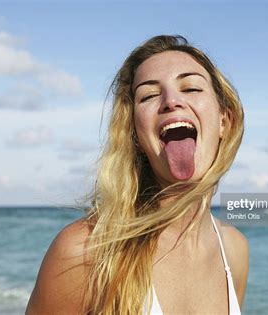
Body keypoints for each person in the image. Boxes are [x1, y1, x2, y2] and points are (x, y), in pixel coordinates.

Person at [26, 35, 249, 315]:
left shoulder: (234, 250)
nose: (171, 101)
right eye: (150, 95)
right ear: (135, 135)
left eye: (191, 87)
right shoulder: (86, 252)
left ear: (224, 122)